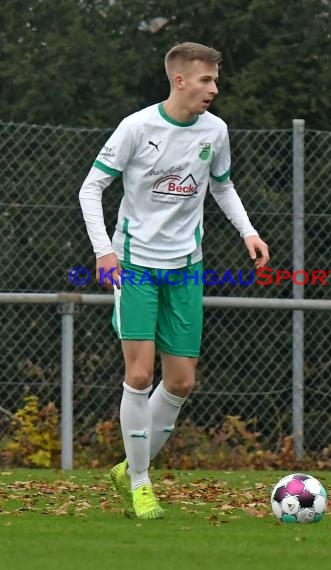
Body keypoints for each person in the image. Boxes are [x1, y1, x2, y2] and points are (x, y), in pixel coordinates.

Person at [79, 41, 269, 520]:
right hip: (135, 264)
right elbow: (91, 187)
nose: (214, 89)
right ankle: (141, 482)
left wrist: (248, 232)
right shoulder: (138, 127)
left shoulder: (216, 130)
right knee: (140, 374)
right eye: (206, 80)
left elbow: (222, 186)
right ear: (180, 80)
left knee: (181, 382)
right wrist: (104, 250)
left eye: (216, 80)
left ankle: (130, 467)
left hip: (186, 266)